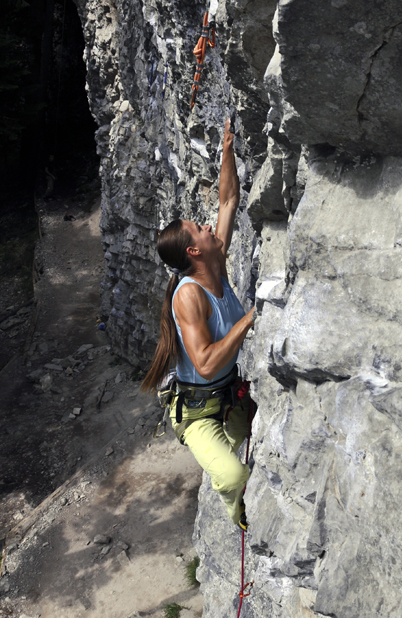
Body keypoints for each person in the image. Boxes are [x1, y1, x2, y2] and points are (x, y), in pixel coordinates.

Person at [141, 118, 256, 530]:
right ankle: (237, 513)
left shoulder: (216, 262)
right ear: (193, 250)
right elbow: (205, 363)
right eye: (199, 228)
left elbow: (227, 201)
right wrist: (249, 320)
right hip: (197, 413)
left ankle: (233, 439)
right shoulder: (189, 295)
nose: (208, 226)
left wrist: (226, 151)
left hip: (228, 396)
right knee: (233, 476)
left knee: (250, 444)